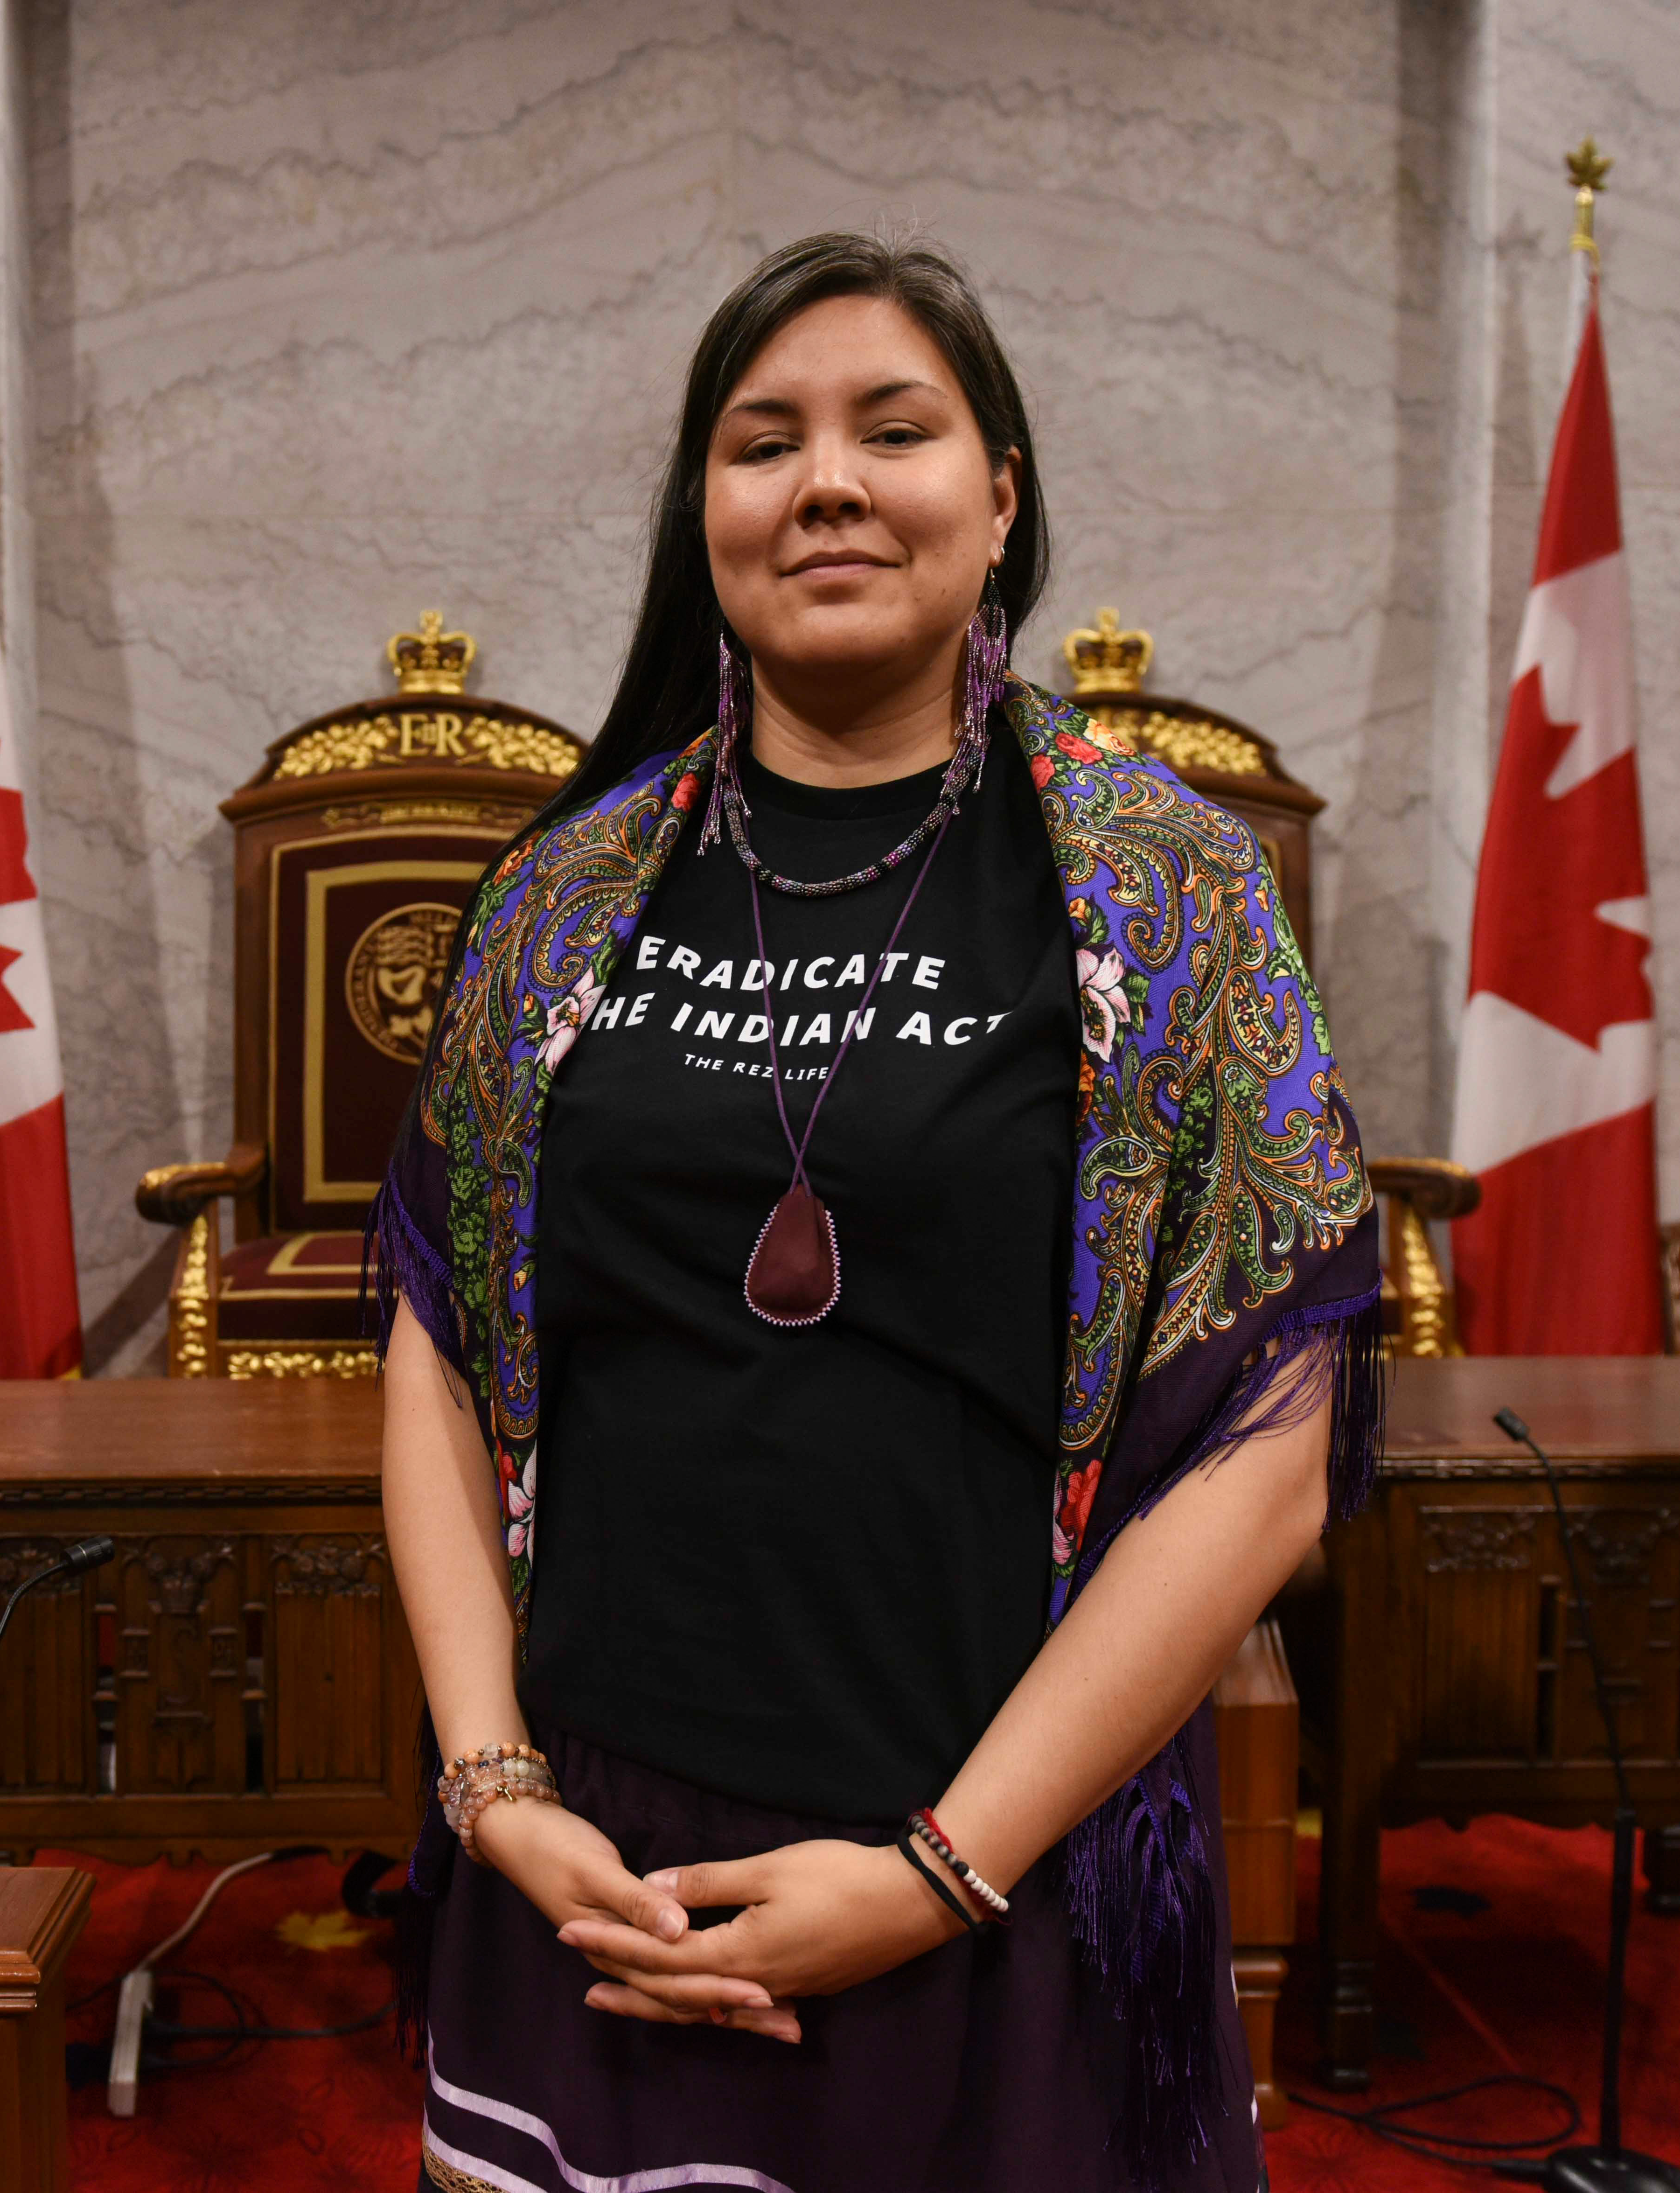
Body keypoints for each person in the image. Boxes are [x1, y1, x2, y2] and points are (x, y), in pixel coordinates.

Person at [370, 230, 1380, 2193]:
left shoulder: (1166, 894)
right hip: (589, 1850)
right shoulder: (568, 892)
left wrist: (937, 1869)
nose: (825, 478)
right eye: (764, 441)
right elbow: (436, 1343)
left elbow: (1273, 1453)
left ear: (1001, 498)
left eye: (892, 427)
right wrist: (493, 1782)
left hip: (992, 1859)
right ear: (706, 516)